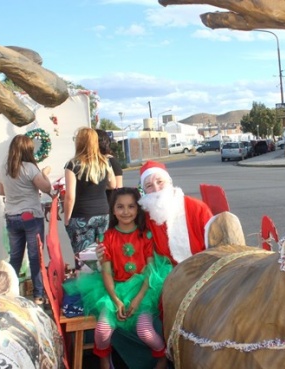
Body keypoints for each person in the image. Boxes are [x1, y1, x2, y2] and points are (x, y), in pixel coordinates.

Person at [66, 187, 172, 369]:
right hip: (115, 290)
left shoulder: (145, 236)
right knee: (102, 330)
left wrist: (138, 300)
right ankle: (104, 359)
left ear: (138, 208)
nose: (126, 212)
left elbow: (151, 272)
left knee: (145, 331)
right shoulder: (107, 238)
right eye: (120, 207)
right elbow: (106, 272)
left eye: (131, 206)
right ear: (113, 210)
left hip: (143, 291)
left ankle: (163, 357)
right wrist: (116, 300)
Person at [0, 134, 52, 305]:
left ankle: (11, 294)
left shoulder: (2, 168)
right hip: (31, 216)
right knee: (36, 257)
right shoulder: (30, 168)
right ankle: (38, 295)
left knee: (15, 258)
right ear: (28, 150)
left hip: (12, 216)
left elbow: (2, 192)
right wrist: (44, 173)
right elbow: (47, 188)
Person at [137, 160, 213, 265]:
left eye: (160, 182)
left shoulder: (197, 208)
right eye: (149, 186)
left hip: (201, 267)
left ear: (169, 182)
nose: (156, 189)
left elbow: (214, 242)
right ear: (144, 191)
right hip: (165, 274)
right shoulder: (145, 217)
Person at [64, 127, 116, 263]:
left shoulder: (72, 164)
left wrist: (67, 219)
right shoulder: (105, 162)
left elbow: (70, 197)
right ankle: (104, 281)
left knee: (85, 259)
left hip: (81, 216)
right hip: (103, 214)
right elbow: (113, 185)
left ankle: (86, 283)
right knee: (104, 255)